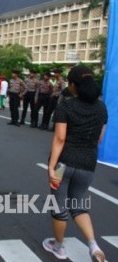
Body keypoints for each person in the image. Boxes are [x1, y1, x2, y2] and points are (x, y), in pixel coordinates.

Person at [43, 65, 107, 262]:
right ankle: (93, 246)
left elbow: (60, 139)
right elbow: (99, 139)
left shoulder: (66, 106)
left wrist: (51, 167)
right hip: (88, 164)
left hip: (64, 164)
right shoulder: (101, 107)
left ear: (73, 85)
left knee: (59, 205)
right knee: (78, 206)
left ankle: (59, 247)